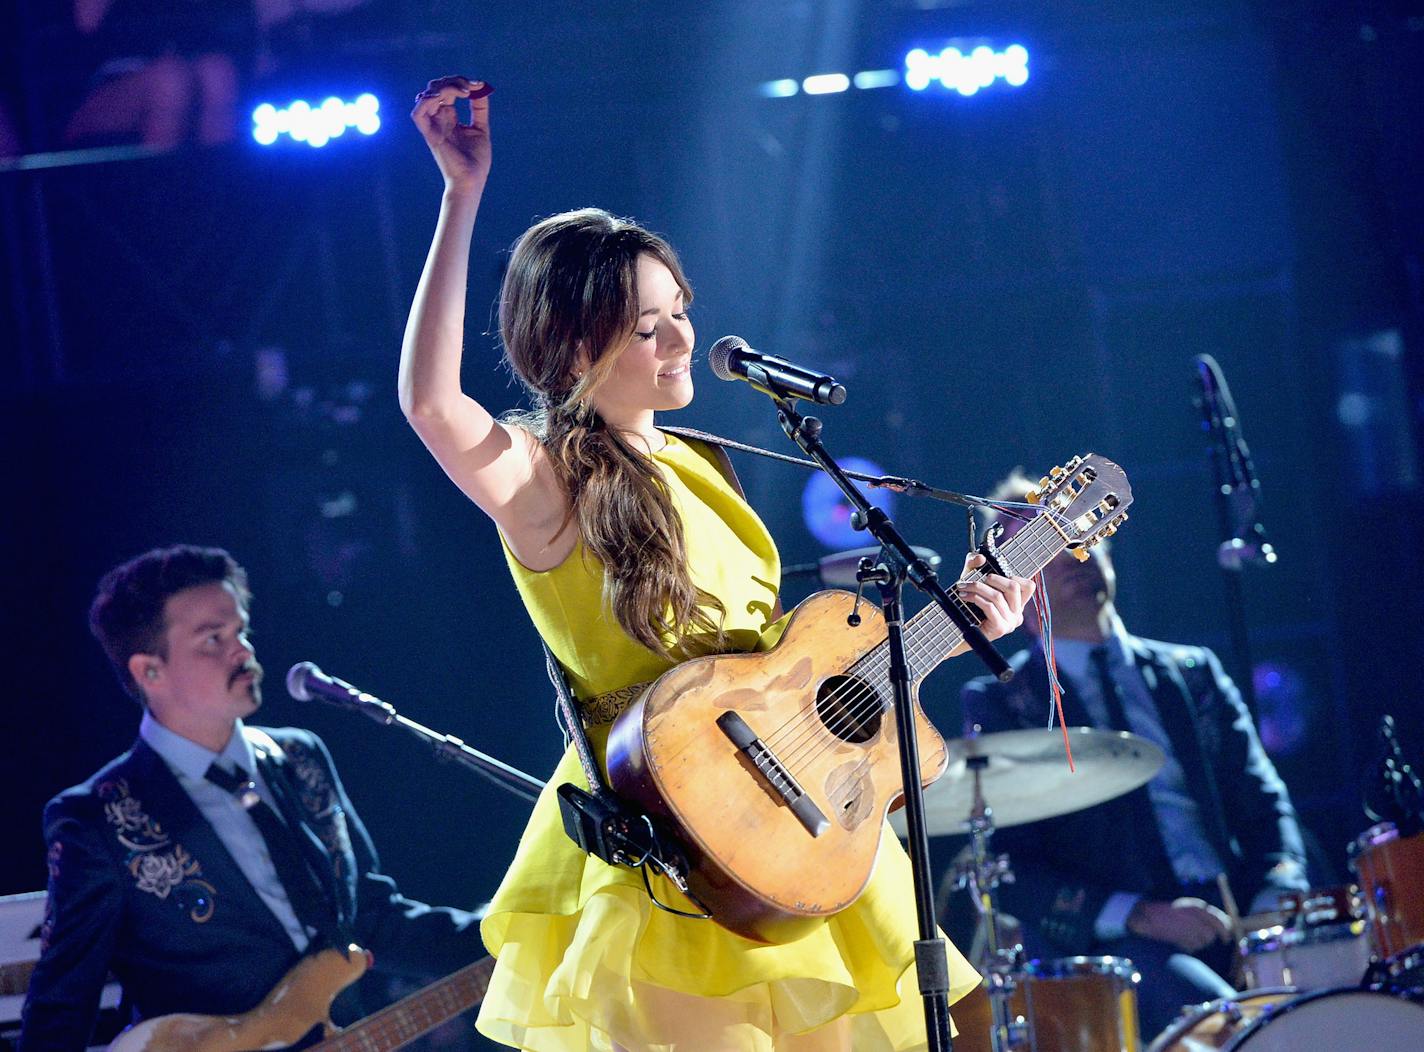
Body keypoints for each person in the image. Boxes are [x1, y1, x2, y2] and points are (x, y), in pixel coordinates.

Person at [399, 75, 1036, 1051]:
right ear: (572, 348)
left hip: (802, 841)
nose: (681, 339)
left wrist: (962, 622)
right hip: (673, 860)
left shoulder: (708, 463)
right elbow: (432, 406)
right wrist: (459, 195)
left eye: (680, 311)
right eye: (646, 325)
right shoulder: (545, 482)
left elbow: (786, 680)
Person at [19, 545, 486, 1050]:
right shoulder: (98, 818)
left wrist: (511, 936)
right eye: (212, 639)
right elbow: (60, 1008)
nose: (241, 651)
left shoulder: (301, 757)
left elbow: (373, 918)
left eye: (240, 631)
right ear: (149, 672)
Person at [959, 474, 1310, 1039]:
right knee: (1234, 1027)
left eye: (1080, 536)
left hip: (1237, 914)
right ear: (1012, 588)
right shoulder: (1003, 700)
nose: (1075, 556)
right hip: (1121, 940)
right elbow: (1009, 868)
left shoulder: (1191, 673)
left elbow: (1263, 802)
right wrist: (1141, 915)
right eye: (1045, 548)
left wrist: (1275, 899)